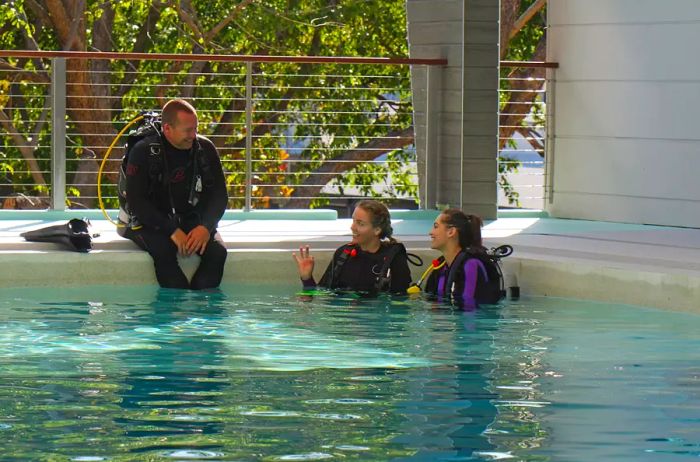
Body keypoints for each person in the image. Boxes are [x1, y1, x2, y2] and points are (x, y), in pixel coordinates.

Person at [119, 98, 228, 290]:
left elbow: (219, 196)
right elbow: (137, 202)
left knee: (217, 253)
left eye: (195, 129)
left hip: (189, 218)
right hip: (149, 222)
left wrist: (205, 227)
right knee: (164, 251)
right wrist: (172, 230)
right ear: (167, 129)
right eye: (188, 130)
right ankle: (172, 316)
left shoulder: (205, 148)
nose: (193, 136)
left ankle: (204, 313)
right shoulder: (144, 151)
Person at [293, 200, 412, 294]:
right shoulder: (343, 254)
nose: (352, 227)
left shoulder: (393, 258)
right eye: (353, 221)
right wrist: (307, 278)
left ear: (377, 230)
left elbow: (400, 304)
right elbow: (322, 294)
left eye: (360, 223)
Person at [424, 209, 504, 308]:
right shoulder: (441, 265)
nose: (430, 232)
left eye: (436, 227)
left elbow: (468, 307)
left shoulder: (471, 264)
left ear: (451, 232)